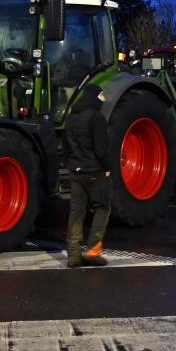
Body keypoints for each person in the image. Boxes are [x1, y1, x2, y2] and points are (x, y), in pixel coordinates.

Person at [63, 85, 112, 268]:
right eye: (101, 94)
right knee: (102, 208)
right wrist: (107, 168)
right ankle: (93, 250)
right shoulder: (96, 118)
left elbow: (66, 145)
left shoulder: (72, 117)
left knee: (76, 213)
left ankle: (73, 256)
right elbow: (101, 148)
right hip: (94, 171)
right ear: (93, 96)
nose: (103, 99)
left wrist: (70, 164)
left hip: (76, 171)